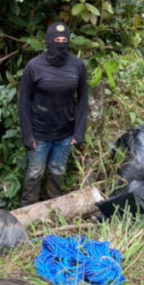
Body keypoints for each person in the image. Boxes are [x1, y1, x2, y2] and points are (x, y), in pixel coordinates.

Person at [18, 22, 88, 206]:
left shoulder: (78, 66)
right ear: (49, 41)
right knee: (35, 173)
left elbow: (82, 100)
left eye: (64, 40)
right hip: (39, 134)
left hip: (65, 134)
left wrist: (79, 133)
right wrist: (28, 134)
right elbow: (23, 101)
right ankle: (28, 210)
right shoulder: (34, 66)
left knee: (57, 171)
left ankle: (54, 210)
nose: (60, 44)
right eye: (57, 40)